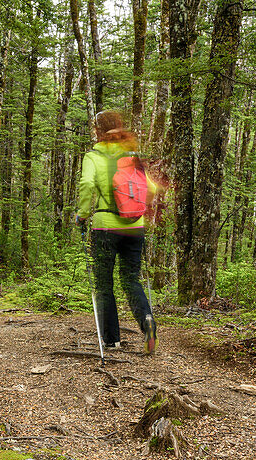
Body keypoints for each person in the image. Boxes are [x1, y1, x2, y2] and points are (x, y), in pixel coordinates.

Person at [76, 109, 159, 354]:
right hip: (135, 226)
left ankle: (111, 340)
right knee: (131, 278)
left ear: (98, 130)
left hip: (105, 226)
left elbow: (87, 184)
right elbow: (152, 188)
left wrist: (82, 213)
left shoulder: (93, 156)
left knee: (104, 284)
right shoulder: (131, 156)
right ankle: (147, 321)